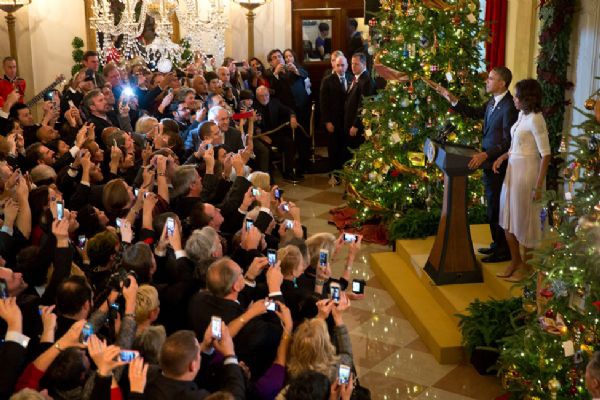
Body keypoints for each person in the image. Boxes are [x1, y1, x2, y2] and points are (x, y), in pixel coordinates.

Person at [435, 66, 518, 263]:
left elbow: (508, 141)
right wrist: (451, 98)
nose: (486, 81)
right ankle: (497, 245)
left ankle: (504, 251)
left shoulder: (508, 106)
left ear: (502, 83)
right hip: (487, 162)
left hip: (496, 164)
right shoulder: (493, 101)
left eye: (491, 79)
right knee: (491, 206)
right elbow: (473, 112)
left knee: (496, 207)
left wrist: (486, 154)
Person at [492, 79, 551, 280]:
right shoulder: (521, 115)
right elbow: (517, 146)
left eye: (517, 95)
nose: (514, 99)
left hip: (527, 174)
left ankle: (527, 267)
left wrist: (538, 186)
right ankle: (515, 260)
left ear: (526, 98)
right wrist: (503, 156)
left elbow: (546, 154)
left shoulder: (536, 119)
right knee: (507, 220)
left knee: (525, 220)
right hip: (512, 172)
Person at [320, 55, 352, 175]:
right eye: (338, 65)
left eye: (342, 65)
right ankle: (334, 173)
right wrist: (327, 121)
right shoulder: (327, 80)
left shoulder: (351, 78)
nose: (340, 68)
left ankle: (345, 170)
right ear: (334, 65)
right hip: (333, 120)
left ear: (347, 66)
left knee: (345, 146)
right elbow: (323, 103)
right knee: (334, 147)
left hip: (346, 120)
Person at [343, 53, 375, 163]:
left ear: (364, 64)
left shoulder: (366, 80)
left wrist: (355, 125)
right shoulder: (356, 78)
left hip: (357, 126)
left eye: (356, 64)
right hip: (349, 122)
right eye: (352, 63)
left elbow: (363, 105)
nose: (353, 66)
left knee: (356, 154)